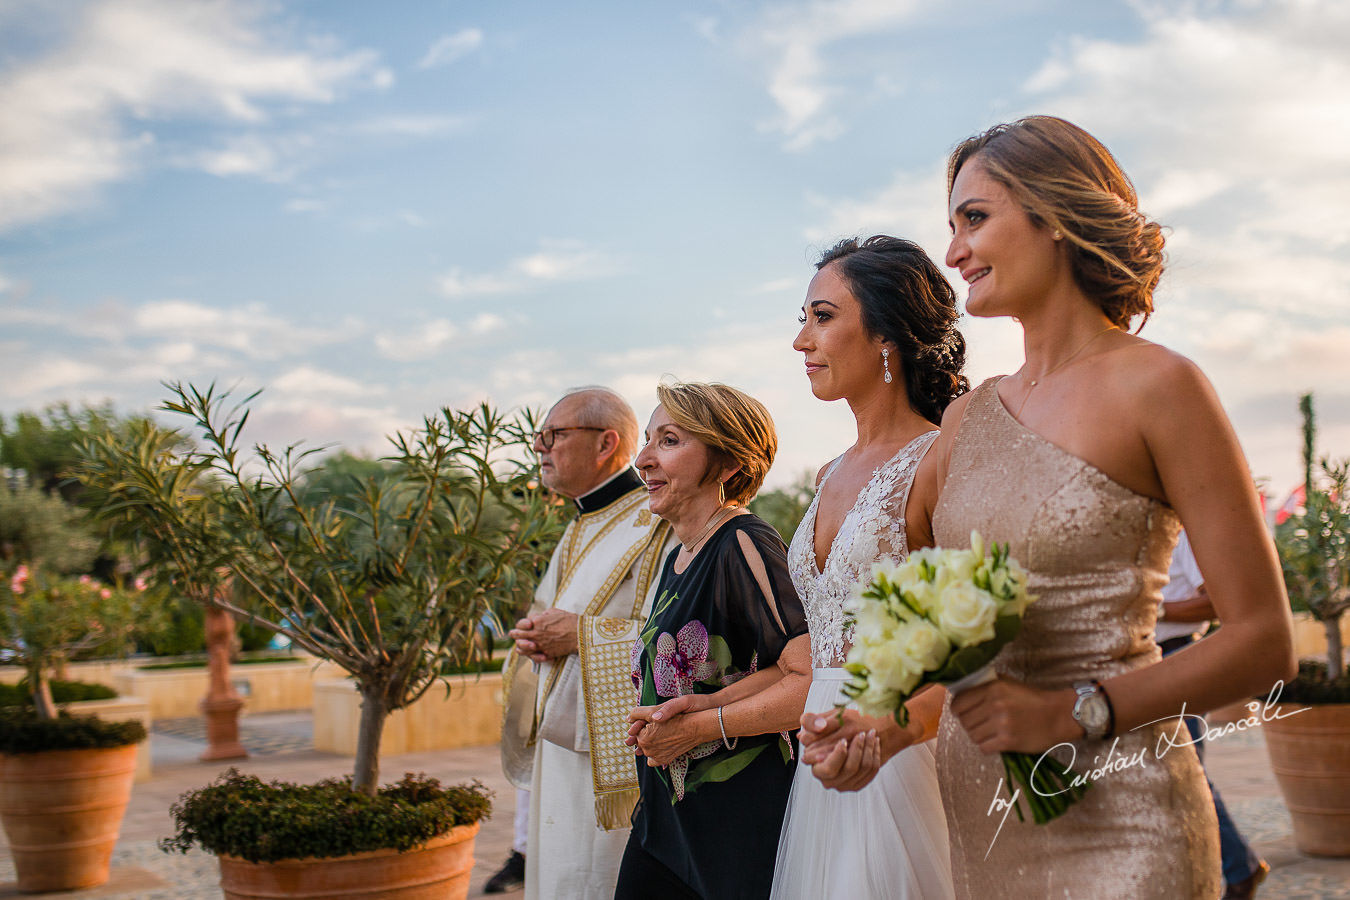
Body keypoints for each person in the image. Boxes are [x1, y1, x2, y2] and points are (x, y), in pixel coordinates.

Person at [806, 116, 1296, 898]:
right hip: (980, 820)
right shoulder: (968, 420)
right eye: (952, 226)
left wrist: (1079, 712)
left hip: (1124, 823)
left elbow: (1266, 642)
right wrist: (882, 728)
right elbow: (953, 641)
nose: (956, 252)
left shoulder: (1161, 387)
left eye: (975, 218)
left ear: (1056, 215)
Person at [768, 236, 964, 899]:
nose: (802, 341)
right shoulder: (827, 475)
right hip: (823, 753)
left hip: (904, 755)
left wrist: (886, 731)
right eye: (803, 319)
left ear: (886, 334)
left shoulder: (939, 459)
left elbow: (971, 646)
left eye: (821, 317)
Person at [617, 381, 810, 900]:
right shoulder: (676, 555)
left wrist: (701, 724)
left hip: (733, 824)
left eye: (670, 441)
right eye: (649, 440)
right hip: (665, 819)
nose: (643, 459)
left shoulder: (743, 543)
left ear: (729, 464)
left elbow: (809, 677)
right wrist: (699, 709)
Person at [497, 387, 674, 899]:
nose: (540, 448)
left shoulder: (655, 516)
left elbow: (676, 636)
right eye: (540, 437)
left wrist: (578, 634)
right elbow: (549, 615)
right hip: (561, 740)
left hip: (610, 751)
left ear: (605, 444)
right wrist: (536, 637)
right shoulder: (580, 524)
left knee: (597, 877)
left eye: (553, 435)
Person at [1158, 531, 1269, 899]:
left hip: (1176, 657)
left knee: (1186, 776)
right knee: (1169, 779)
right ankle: (1237, 868)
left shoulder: (1184, 531)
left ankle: (1241, 869)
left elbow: (1220, 602)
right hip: (1141, 664)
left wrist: (1155, 610)